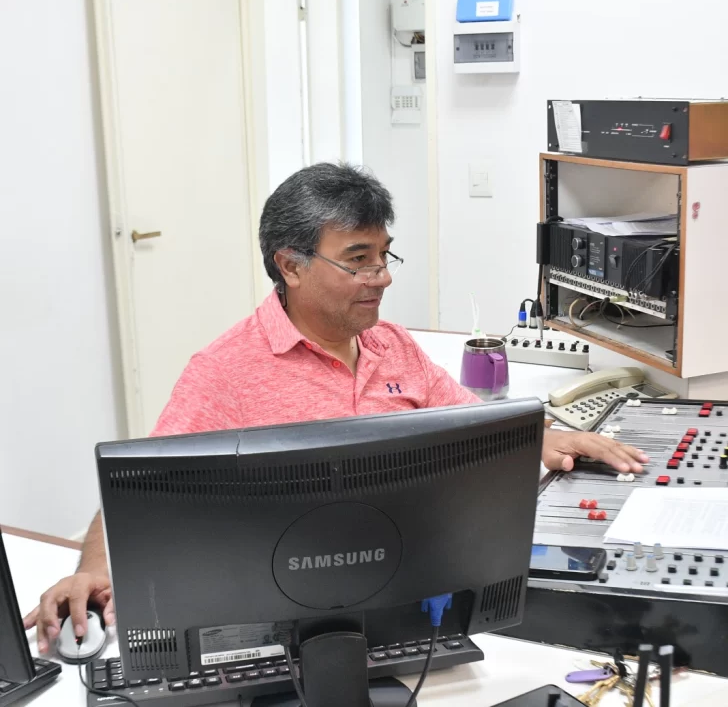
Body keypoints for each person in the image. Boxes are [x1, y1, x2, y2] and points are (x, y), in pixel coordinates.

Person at [24, 162, 647, 653]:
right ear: (290, 266)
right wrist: (92, 568)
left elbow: (473, 429)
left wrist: (544, 437)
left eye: (384, 255)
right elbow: (142, 488)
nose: (382, 276)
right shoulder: (225, 371)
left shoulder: (393, 346)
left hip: (416, 596)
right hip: (296, 623)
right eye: (357, 260)